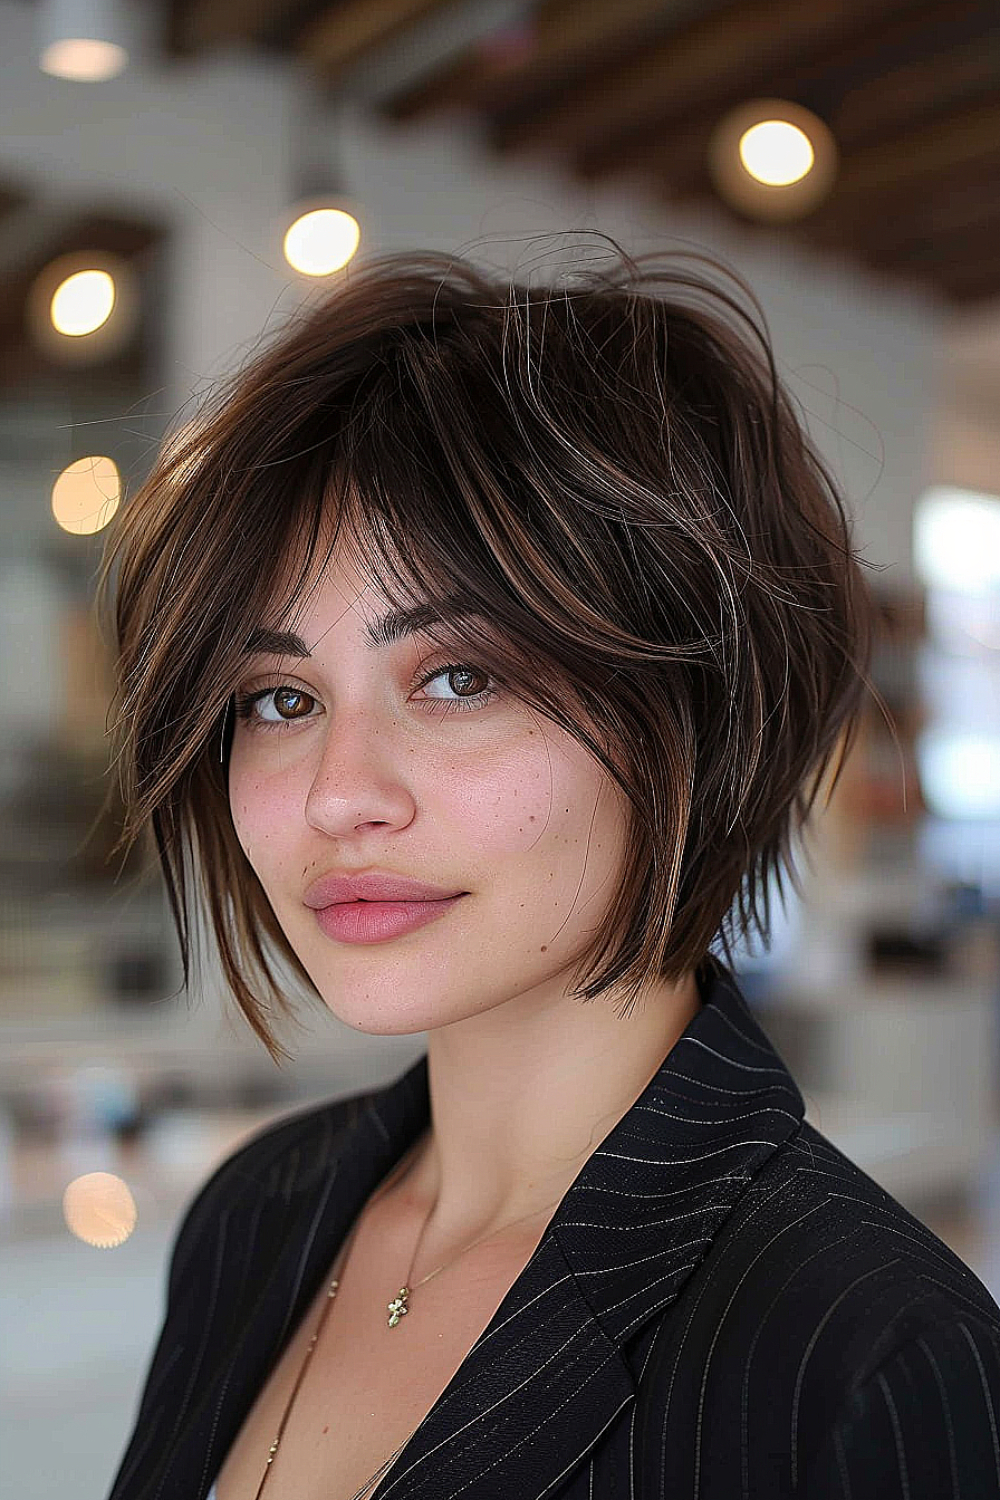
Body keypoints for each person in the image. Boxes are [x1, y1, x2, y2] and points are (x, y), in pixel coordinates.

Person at [99, 235, 1000, 1500]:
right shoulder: (256, 1216)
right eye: (280, 697)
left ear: (694, 709)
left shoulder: (862, 1359)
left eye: (459, 678)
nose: (339, 793)